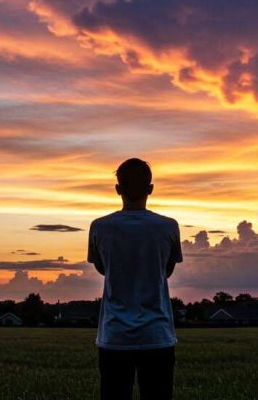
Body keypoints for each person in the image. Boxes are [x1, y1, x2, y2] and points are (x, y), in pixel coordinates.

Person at [87, 157, 183, 400]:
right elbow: (167, 270)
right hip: (157, 335)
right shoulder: (169, 227)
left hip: (115, 336)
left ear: (118, 189)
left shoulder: (99, 227)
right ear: (150, 189)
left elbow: (102, 268)